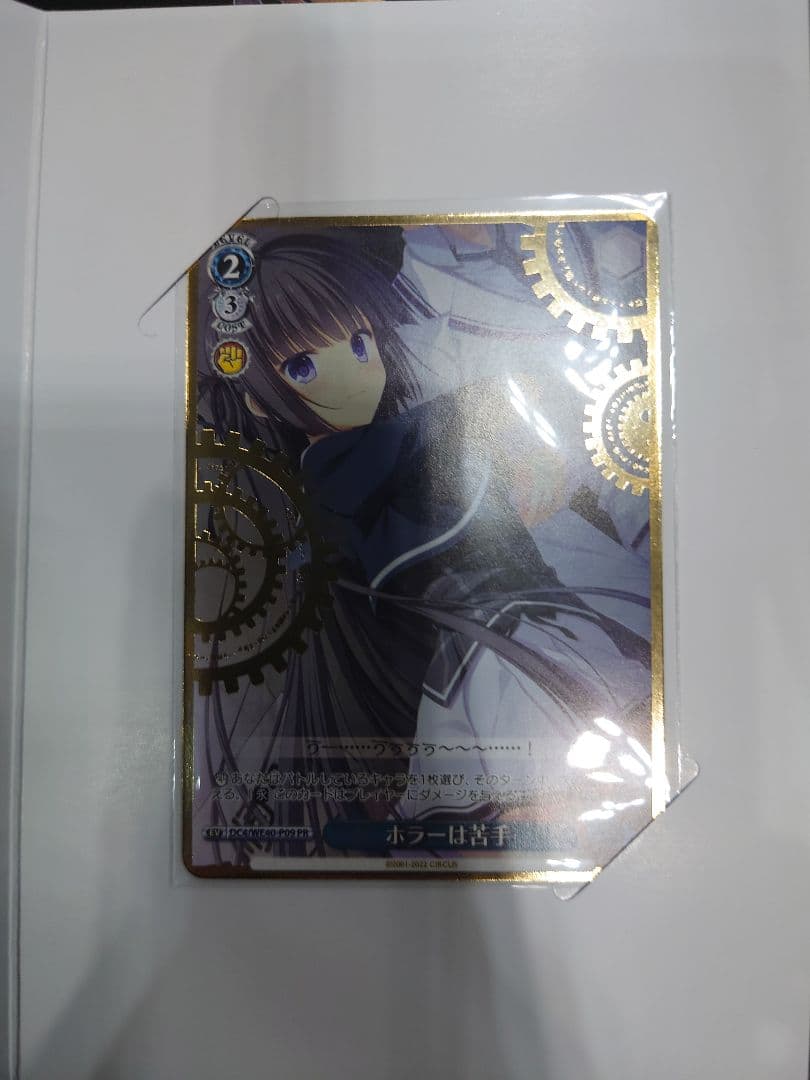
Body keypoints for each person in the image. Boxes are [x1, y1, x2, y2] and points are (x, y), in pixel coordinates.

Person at [196, 225, 652, 860]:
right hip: (482, 638)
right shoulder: (340, 466)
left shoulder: (390, 430)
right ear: (262, 401)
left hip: (515, 619)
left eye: (360, 343)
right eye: (304, 366)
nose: (355, 375)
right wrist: (489, 421)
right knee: (534, 741)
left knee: (570, 735)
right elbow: (427, 446)